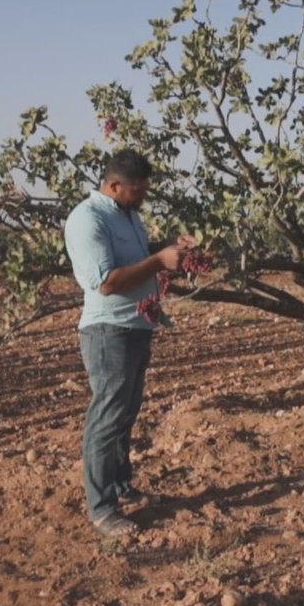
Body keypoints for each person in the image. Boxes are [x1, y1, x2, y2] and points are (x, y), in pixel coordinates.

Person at [64, 149, 193, 537]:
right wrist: (159, 262)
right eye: (137, 191)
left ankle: (120, 489)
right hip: (109, 331)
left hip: (137, 325)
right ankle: (102, 508)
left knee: (125, 414)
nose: (143, 197)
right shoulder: (87, 219)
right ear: (114, 186)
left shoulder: (128, 216)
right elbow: (105, 282)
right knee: (106, 418)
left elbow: (138, 256)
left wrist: (169, 247)